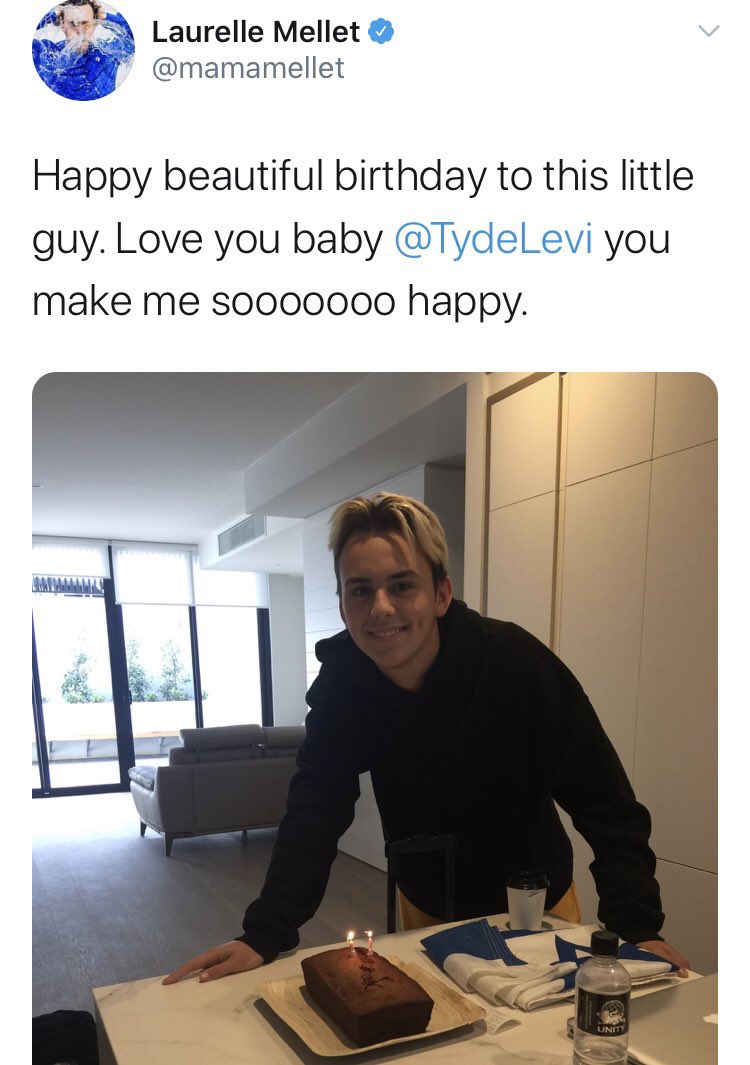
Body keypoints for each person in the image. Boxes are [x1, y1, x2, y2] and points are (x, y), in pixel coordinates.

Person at [164, 493, 690, 985]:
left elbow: (606, 805)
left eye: (402, 585)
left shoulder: (515, 666)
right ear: (343, 605)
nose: (382, 608)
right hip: (426, 903)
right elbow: (315, 810)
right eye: (361, 590)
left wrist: (638, 927)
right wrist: (264, 933)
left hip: (537, 902)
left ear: (441, 594)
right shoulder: (344, 687)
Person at [32, 2, 134, 101]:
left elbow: (133, 36)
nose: (80, 32)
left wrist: (104, 16)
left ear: (94, 24)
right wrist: (55, 14)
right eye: (73, 24)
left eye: (85, 23)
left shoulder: (107, 53)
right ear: (62, 25)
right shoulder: (47, 54)